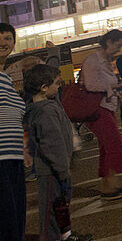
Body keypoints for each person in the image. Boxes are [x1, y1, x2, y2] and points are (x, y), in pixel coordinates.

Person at [23, 64, 93, 241]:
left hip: (56, 168)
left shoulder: (47, 106)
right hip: (51, 171)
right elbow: (52, 144)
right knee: (51, 210)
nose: (59, 86)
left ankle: (65, 234)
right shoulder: (46, 111)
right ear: (44, 88)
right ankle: (51, 237)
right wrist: (63, 169)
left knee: (61, 206)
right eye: (56, 83)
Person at [79, 30, 122, 200]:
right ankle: (111, 184)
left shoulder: (104, 61)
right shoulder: (93, 60)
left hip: (105, 107)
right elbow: (91, 85)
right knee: (114, 145)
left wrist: (116, 87)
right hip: (98, 109)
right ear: (109, 42)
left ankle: (107, 185)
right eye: (117, 45)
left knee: (106, 147)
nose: (118, 50)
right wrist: (113, 88)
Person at [1, 22, 27, 241]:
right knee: (7, 219)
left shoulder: (6, 78)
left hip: (14, 157)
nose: (3, 42)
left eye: (8, 38)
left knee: (17, 218)